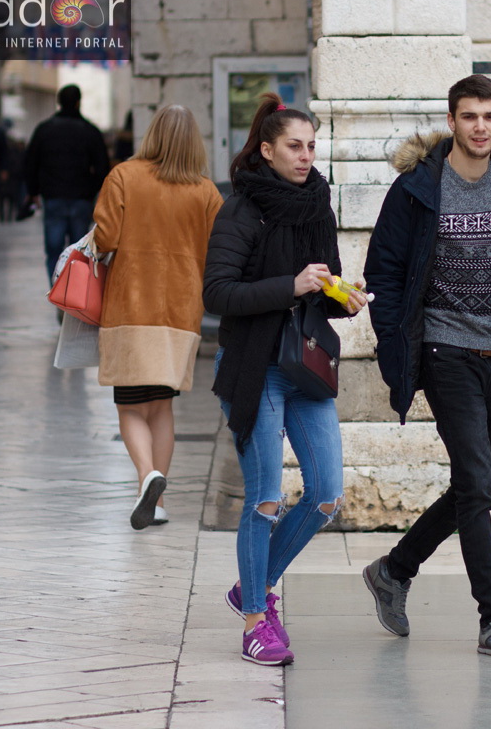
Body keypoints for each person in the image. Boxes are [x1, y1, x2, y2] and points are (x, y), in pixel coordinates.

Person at [361, 74, 491, 660]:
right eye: (469, 116)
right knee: (476, 484)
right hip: (444, 351)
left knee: (474, 487)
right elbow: (384, 270)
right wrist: (396, 343)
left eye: (489, 116)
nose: (480, 127)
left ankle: (394, 570)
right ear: (451, 122)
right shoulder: (418, 188)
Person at [203, 94, 367, 667]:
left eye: (312, 146)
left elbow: (324, 281)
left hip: (306, 367)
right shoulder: (241, 209)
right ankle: (256, 621)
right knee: (266, 498)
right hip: (254, 368)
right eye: (294, 147)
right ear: (268, 150)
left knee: (325, 496)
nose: (305, 157)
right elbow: (216, 293)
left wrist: (343, 296)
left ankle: (251, 585)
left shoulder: (317, 203)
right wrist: (290, 286)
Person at [92, 105, 222, 531]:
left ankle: (147, 475)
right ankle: (158, 502)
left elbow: (106, 238)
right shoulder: (205, 191)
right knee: (162, 406)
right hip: (180, 311)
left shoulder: (124, 176)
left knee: (130, 406)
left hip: (131, 306)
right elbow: (219, 248)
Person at [24, 84, 110, 278]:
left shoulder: (44, 130)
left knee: (54, 251)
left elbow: (31, 162)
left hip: (53, 196)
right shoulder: (90, 131)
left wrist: (34, 191)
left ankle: (56, 289)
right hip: (81, 198)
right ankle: (75, 290)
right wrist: (92, 190)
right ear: (78, 102)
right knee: (80, 251)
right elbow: (102, 167)